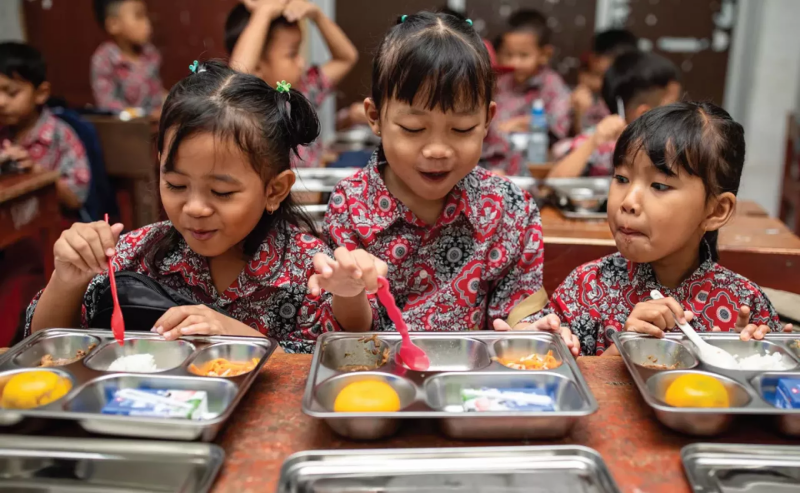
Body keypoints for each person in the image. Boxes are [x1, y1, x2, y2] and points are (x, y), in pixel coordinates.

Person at [25, 61, 375, 354]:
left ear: (275, 189)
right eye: (176, 185)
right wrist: (67, 280)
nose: (194, 208)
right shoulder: (136, 254)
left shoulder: (307, 271)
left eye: (221, 192)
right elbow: (42, 349)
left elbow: (343, 360)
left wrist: (239, 337)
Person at [316, 12, 579, 355]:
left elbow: (518, 312)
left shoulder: (510, 209)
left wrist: (535, 329)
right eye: (413, 128)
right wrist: (347, 291)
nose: (437, 150)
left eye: (461, 129)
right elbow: (351, 337)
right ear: (375, 118)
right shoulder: (350, 205)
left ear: (487, 120)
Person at [550, 102, 789, 355]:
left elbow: (774, 389)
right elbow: (549, 376)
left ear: (716, 211)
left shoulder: (746, 304)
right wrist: (621, 352)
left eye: (659, 186)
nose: (629, 201)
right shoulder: (588, 287)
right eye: (621, 179)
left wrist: (756, 360)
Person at [226, 0, 359, 167]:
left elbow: (346, 58)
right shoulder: (250, 105)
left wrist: (317, 16)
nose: (302, 62)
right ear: (258, 66)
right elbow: (237, 77)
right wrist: (264, 13)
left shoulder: (304, 89)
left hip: (312, 190)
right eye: (292, 53)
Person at [548, 50, 680, 178]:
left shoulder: (676, 148)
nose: (680, 113)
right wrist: (593, 141)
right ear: (644, 113)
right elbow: (553, 182)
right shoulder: (602, 140)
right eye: (674, 106)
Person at [0, 42, 90, 211]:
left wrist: (37, 172)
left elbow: (76, 199)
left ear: (41, 93)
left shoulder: (61, 135)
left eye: (12, 93)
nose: (1, 102)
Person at [482, 9, 571, 175]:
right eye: (509, 54)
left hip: (533, 164)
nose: (515, 62)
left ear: (544, 54)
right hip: (493, 162)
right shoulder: (501, 82)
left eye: (523, 55)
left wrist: (525, 122)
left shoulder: (552, 84)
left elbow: (560, 127)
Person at [90, 0, 164, 117]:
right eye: (139, 16)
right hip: (124, 130)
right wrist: (146, 115)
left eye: (146, 16)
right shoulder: (104, 59)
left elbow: (157, 94)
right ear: (114, 24)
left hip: (155, 127)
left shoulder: (150, 53)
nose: (147, 23)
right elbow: (108, 105)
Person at [572, 29, 638, 133]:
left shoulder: (630, 99)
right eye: (594, 75)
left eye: (601, 77)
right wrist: (578, 114)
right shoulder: (582, 95)